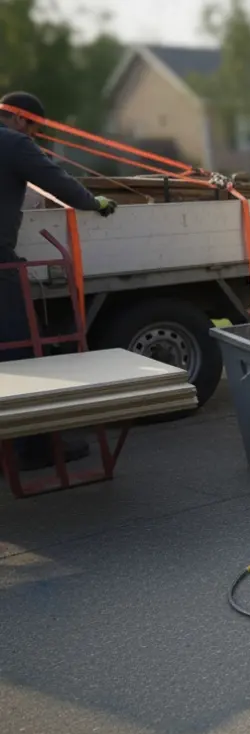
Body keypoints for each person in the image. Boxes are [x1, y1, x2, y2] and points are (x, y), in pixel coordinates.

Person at [1, 91, 119, 471]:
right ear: (21, 120)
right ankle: (30, 450)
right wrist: (95, 203)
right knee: (19, 355)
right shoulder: (14, 143)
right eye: (36, 129)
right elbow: (60, 184)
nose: (35, 136)